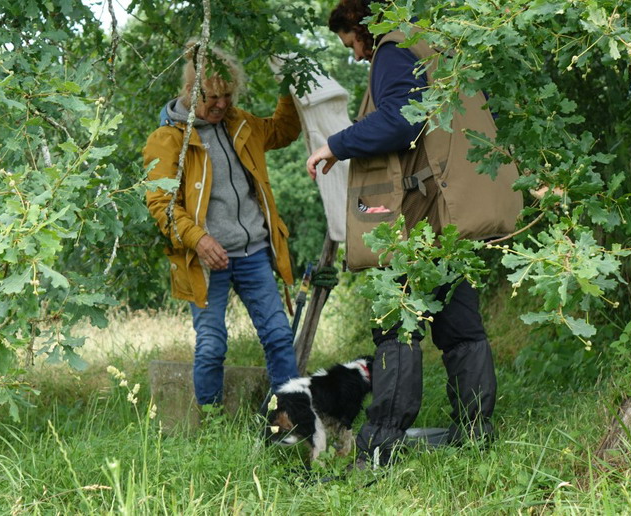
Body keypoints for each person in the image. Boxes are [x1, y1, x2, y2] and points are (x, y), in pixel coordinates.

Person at [307, 0, 520, 470]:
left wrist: (335, 145)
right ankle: (475, 433)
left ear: (362, 25)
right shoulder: (434, 45)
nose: (357, 55)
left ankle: (381, 447)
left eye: (352, 43)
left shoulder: (393, 50)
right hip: (447, 216)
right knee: (460, 329)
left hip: (415, 222)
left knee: (396, 329)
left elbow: (402, 120)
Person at [144, 43, 301, 407]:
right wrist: (199, 240)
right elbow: (161, 205)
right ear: (190, 91)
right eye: (212, 97)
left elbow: (283, 131)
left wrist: (288, 87)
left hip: (254, 252)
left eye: (228, 95)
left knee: (279, 336)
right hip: (206, 260)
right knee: (212, 346)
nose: (221, 104)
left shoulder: (240, 123)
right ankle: (212, 424)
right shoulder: (167, 140)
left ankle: (290, 417)